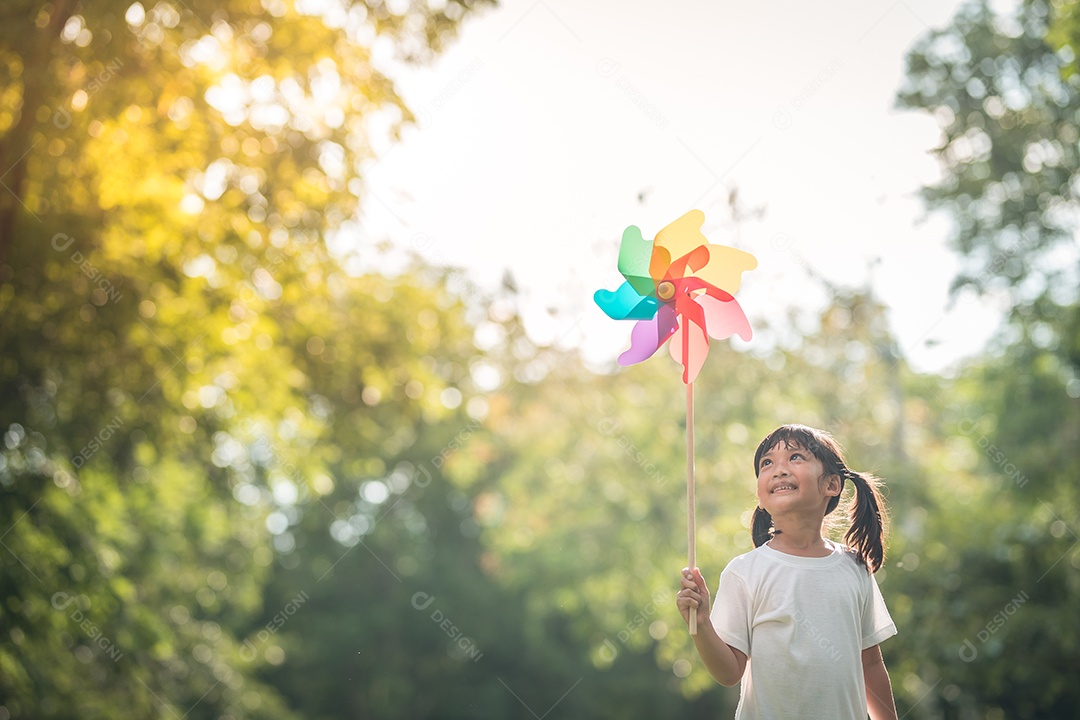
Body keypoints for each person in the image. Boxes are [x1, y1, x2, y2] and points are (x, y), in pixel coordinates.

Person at [676, 424, 899, 720]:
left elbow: (870, 664)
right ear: (760, 494)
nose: (779, 469)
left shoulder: (854, 567)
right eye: (767, 463)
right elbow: (729, 672)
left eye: (795, 457)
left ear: (832, 485)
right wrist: (702, 623)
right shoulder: (744, 572)